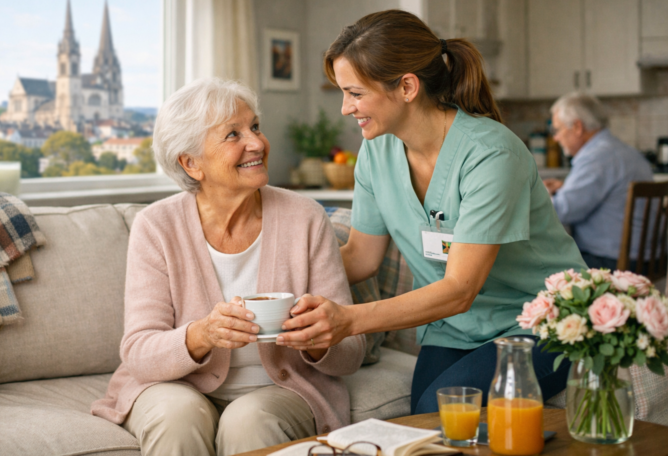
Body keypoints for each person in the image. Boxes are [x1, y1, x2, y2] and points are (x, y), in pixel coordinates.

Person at [275, 9, 587, 415]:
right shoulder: (376, 150)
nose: (345, 108)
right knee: (425, 417)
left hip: (542, 321)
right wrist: (276, 282)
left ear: (407, 86)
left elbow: (460, 289)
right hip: (454, 329)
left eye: (355, 93)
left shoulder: (491, 154)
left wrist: (348, 320)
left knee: (442, 412)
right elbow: (361, 257)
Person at [90, 78, 365, 456]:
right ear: (191, 163)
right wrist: (202, 334)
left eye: (255, 126)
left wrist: (318, 341)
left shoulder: (305, 217)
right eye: (233, 134)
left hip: (279, 389)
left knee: (249, 420)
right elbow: (139, 352)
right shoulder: (156, 226)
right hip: (175, 386)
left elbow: (351, 351)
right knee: (177, 416)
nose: (257, 143)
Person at [543, 92, 653, 271]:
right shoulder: (623, 151)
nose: (555, 138)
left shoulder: (595, 157)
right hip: (646, 259)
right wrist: (566, 188)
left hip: (612, 262)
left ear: (577, 127)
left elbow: (562, 211)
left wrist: (537, 194)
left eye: (557, 130)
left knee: (541, 265)